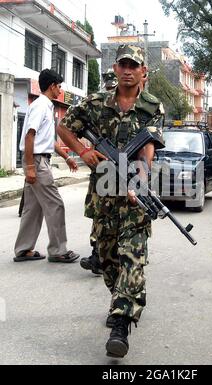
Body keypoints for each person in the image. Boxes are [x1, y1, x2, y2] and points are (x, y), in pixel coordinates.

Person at [57, 44, 164, 358]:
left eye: (134, 65)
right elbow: (64, 128)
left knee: (133, 257)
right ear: (115, 69)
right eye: (123, 64)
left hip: (133, 195)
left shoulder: (152, 106)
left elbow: (149, 146)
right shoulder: (94, 103)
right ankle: (119, 297)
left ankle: (121, 324)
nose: (128, 70)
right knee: (107, 260)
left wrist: (142, 180)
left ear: (143, 71)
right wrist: (83, 151)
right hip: (104, 194)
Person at [14, 69, 80, 263]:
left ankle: (23, 249)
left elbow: (48, 141)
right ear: (52, 86)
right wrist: (30, 167)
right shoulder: (41, 105)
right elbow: (29, 136)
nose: (60, 90)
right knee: (55, 205)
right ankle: (58, 250)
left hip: (37, 159)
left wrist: (66, 157)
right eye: (59, 86)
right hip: (36, 161)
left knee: (32, 208)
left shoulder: (45, 106)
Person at [79, 69, 118, 276]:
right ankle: (98, 255)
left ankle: (106, 256)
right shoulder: (95, 104)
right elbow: (75, 129)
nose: (110, 88)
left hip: (120, 167)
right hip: (101, 168)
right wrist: (85, 153)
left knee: (111, 214)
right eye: (108, 85)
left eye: (112, 85)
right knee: (99, 212)